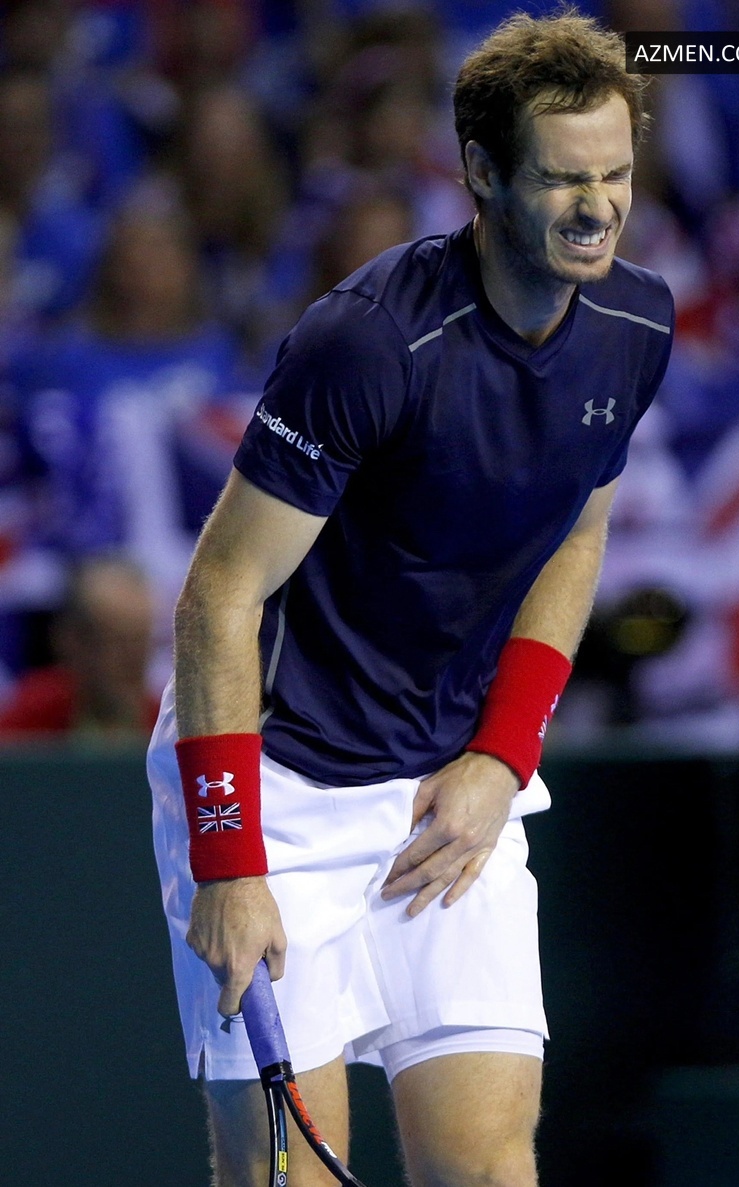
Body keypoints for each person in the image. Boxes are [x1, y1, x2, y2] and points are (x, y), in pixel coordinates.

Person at [147, 11, 673, 1187]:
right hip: (279, 786)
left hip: (447, 793)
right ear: (481, 173)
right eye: (563, 180)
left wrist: (502, 753)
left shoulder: (637, 324)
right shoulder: (368, 342)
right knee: (286, 1176)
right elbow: (218, 594)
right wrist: (228, 859)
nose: (597, 208)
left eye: (616, 176)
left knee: (488, 1168)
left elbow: (578, 532)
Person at [0, 554, 158, 738]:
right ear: (72, 642)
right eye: (117, 641)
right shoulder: (34, 716)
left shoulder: (167, 723)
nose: (133, 659)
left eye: (140, 640)